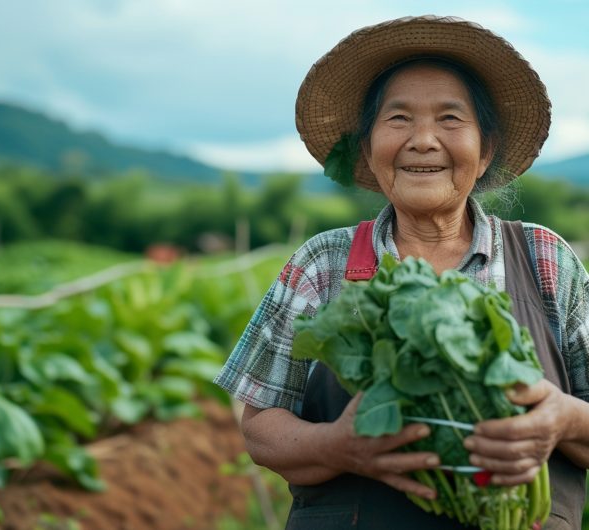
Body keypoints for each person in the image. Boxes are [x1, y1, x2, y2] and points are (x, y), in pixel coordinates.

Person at [214, 15, 589, 529]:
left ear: (486, 152)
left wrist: (564, 419)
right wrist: (339, 447)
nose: (423, 140)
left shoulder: (546, 258)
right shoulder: (322, 263)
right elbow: (258, 429)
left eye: (451, 119)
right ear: (367, 150)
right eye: (398, 119)